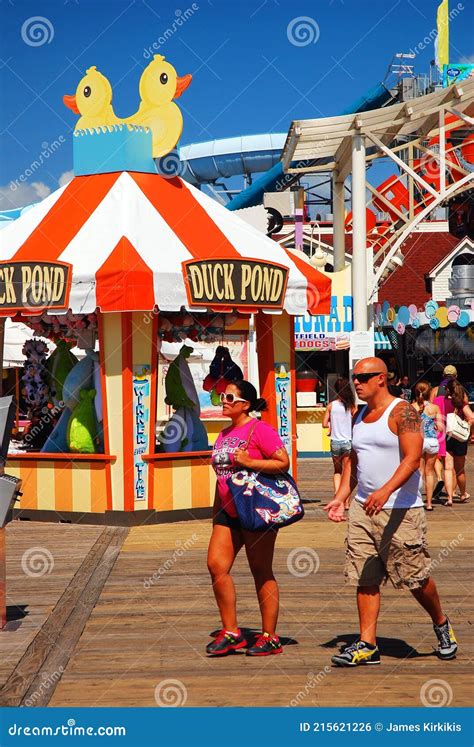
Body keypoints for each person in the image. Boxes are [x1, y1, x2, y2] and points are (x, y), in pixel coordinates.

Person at [324, 357, 457, 667]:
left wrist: (385, 491)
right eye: (354, 376)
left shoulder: (403, 411)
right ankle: (367, 644)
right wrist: (342, 497)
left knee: (415, 578)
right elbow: (353, 465)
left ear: (381, 378)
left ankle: (441, 622)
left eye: (364, 376)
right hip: (363, 510)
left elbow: (412, 459)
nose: (357, 382)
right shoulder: (360, 416)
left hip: (401, 510)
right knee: (365, 577)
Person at [207, 380, 289, 657]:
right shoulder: (224, 433)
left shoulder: (260, 430)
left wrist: (249, 462)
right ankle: (231, 632)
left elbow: (282, 462)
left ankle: (269, 637)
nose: (224, 401)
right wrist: (216, 509)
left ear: (245, 404)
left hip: (256, 509)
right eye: (221, 397)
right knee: (216, 566)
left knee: (260, 569)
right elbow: (221, 477)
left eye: (230, 397)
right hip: (227, 512)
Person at [323, 377, 357, 506]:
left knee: (338, 471)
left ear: (336, 389)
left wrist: (332, 426)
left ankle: (338, 499)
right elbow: (356, 423)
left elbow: (324, 424)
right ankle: (346, 502)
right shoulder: (352, 406)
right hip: (348, 442)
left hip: (335, 442)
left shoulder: (331, 405)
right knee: (347, 473)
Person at [412, 381, 443, 511]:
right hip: (432, 441)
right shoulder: (435, 408)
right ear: (429, 393)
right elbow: (441, 428)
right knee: (429, 473)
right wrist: (435, 426)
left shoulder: (411, 406)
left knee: (419, 472)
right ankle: (429, 503)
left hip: (419, 441)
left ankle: (417, 500)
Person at [443, 379, 474, 506]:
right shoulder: (462, 403)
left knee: (448, 468)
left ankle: (449, 497)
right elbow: (472, 418)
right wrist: (468, 427)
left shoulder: (443, 401)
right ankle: (462, 494)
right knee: (459, 469)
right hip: (460, 438)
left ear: (448, 390)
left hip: (447, 436)